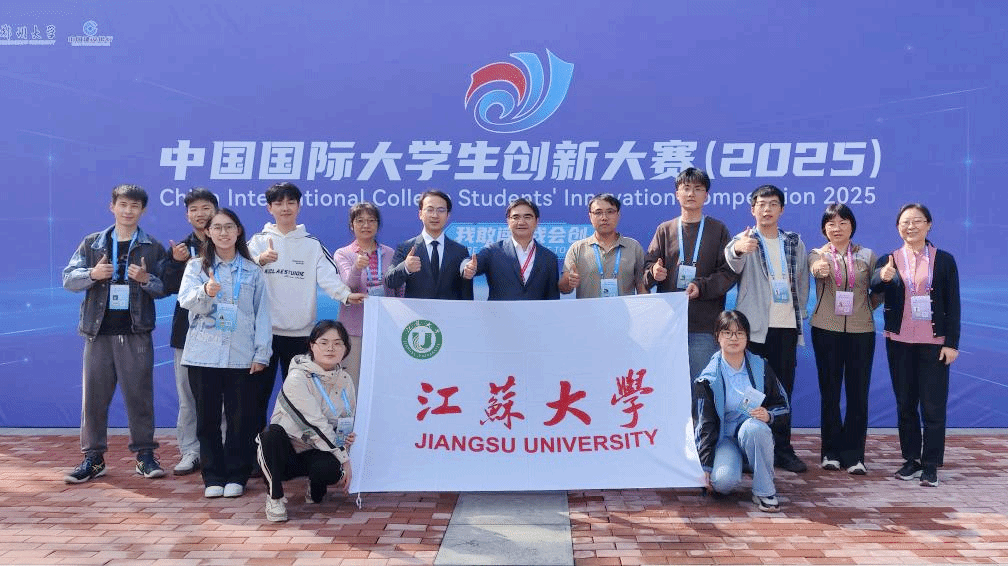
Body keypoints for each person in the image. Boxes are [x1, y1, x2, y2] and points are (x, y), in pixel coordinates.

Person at [246, 182, 366, 463]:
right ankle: (256, 459)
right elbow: (241, 274)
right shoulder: (257, 242)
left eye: (291, 202)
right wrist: (259, 261)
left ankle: (304, 457)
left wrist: (346, 296)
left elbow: (329, 278)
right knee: (256, 400)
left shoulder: (311, 244)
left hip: (300, 336)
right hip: (263, 336)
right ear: (269, 208)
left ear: (299, 206)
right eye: (278, 203)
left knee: (305, 403)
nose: (285, 208)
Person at [62, 184, 169, 483]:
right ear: (112, 207)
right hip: (97, 332)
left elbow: (166, 288)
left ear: (143, 210)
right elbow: (68, 279)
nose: (128, 211)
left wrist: (146, 279)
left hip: (136, 332)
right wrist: (92, 274)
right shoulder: (92, 243)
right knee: (93, 399)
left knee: (140, 397)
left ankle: (145, 456)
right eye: (123, 205)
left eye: (134, 206)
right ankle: (93, 458)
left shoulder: (152, 246)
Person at [179, 208, 272, 498]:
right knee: (207, 420)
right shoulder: (196, 267)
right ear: (208, 233)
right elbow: (185, 301)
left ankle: (236, 475)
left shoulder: (253, 270)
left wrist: (261, 354)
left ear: (238, 231)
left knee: (240, 420)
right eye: (217, 227)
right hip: (203, 354)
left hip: (241, 355)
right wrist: (206, 292)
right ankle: (212, 476)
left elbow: (262, 314)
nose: (223, 232)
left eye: (229, 227)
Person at [870, 203, 960, 487]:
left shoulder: (944, 260)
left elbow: (953, 304)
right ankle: (912, 460)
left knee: (933, 406)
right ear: (898, 227)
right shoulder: (889, 259)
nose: (911, 226)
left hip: (934, 344)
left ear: (928, 225)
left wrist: (951, 343)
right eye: (905, 222)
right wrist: (882, 277)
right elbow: (874, 287)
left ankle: (931, 464)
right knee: (905, 404)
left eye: (917, 221)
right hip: (899, 343)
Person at [724, 184, 809, 473]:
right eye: (761, 204)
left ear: (781, 209)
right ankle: (750, 449)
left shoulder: (793, 242)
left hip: (785, 328)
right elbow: (731, 261)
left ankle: (782, 449)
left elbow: (802, 280)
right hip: (754, 328)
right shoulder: (745, 239)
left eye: (773, 204)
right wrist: (739, 249)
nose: (767, 209)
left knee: (782, 390)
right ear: (753, 209)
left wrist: (799, 315)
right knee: (750, 390)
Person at [257, 320, 356, 522]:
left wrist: (346, 440)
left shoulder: (345, 379)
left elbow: (345, 420)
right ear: (312, 345)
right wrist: (345, 459)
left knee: (331, 472)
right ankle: (274, 497)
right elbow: (314, 424)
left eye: (337, 343)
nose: (330, 348)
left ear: (345, 348)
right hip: (287, 452)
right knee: (270, 435)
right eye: (324, 342)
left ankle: (315, 485)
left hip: (316, 449)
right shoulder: (297, 378)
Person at [643, 168, 738, 379]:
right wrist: (653, 273)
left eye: (698, 189)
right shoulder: (665, 230)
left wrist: (701, 287)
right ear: (677, 194)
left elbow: (728, 273)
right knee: (669, 383)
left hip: (704, 326)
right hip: (669, 325)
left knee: (701, 385)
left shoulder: (717, 229)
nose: (691, 194)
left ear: (706, 195)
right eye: (686, 188)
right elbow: (646, 268)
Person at [808, 204, 881, 475]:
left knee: (858, 394)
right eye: (831, 224)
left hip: (861, 332)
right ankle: (830, 452)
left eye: (843, 223)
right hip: (825, 330)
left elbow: (879, 287)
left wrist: (865, 307)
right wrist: (818, 268)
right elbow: (814, 269)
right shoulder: (817, 254)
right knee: (830, 393)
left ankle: (855, 455)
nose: (837, 228)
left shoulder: (867, 255)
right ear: (824, 229)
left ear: (852, 226)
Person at [693, 310, 790, 513]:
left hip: (752, 433)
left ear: (747, 337)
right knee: (722, 484)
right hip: (724, 439)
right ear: (717, 337)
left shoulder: (761, 367)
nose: (734, 338)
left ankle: (764, 491)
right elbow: (704, 424)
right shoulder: (708, 378)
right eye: (727, 333)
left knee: (755, 429)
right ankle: (735, 463)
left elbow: (783, 406)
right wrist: (705, 466)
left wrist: (769, 415)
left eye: (740, 333)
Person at [161, 188, 218, 475]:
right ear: (187, 216)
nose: (200, 214)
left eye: (206, 208)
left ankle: (221, 449)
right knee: (188, 396)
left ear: (215, 210)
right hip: (187, 331)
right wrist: (175, 262)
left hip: (224, 331)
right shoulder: (180, 249)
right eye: (194, 209)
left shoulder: (230, 242)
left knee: (223, 395)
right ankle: (190, 451)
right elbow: (166, 287)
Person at [332, 202, 399, 388]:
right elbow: (348, 286)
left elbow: (397, 289)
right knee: (351, 382)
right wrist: (357, 267)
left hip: (383, 327)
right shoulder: (343, 253)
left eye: (371, 220)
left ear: (378, 224)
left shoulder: (389, 253)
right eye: (360, 221)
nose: (366, 225)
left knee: (381, 383)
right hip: (354, 329)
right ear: (351, 225)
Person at [461, 198, 560, 300]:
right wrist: (467, 267)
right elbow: (469, 262)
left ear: (536, 221)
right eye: (515, 217)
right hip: (499, 311)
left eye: (527, 217)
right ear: (508, 221)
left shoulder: (549, 258)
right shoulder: (493, 251)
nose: (521, 222)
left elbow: (553, 299)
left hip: (537, 311)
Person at [386, 190, 474, 300]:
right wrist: (406, 267)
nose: (435, 215)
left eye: (441, 210)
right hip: (416, 311)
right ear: (420, 214)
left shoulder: (460, 251)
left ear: (448, 215)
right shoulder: (405, 248)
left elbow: (466, 295)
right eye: (430, 210)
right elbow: (390, 281)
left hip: (449, 311)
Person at [559, 193, 648, 298]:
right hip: (588, 309)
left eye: (610, 212)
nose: (604, 218)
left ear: (618, 215)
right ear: (590, 216)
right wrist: (569, 281)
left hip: (624, 309)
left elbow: (642, 287)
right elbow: (564, 289)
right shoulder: (577, 248)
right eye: (598, 212)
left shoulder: (633, 247)